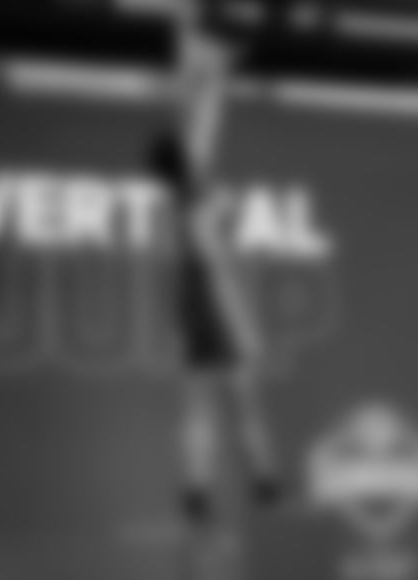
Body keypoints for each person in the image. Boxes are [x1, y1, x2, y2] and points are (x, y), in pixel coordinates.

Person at [148, 8, 281, 525]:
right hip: (213, 294)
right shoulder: (195, 182)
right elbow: (204, 114)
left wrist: (191, 46)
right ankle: (264, 481)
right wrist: (216, 69)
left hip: (190, 297)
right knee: (243, 397)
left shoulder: (175, 195)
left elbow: (194, 111)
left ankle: (196, 492)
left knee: (199, 401)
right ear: (185, 159)